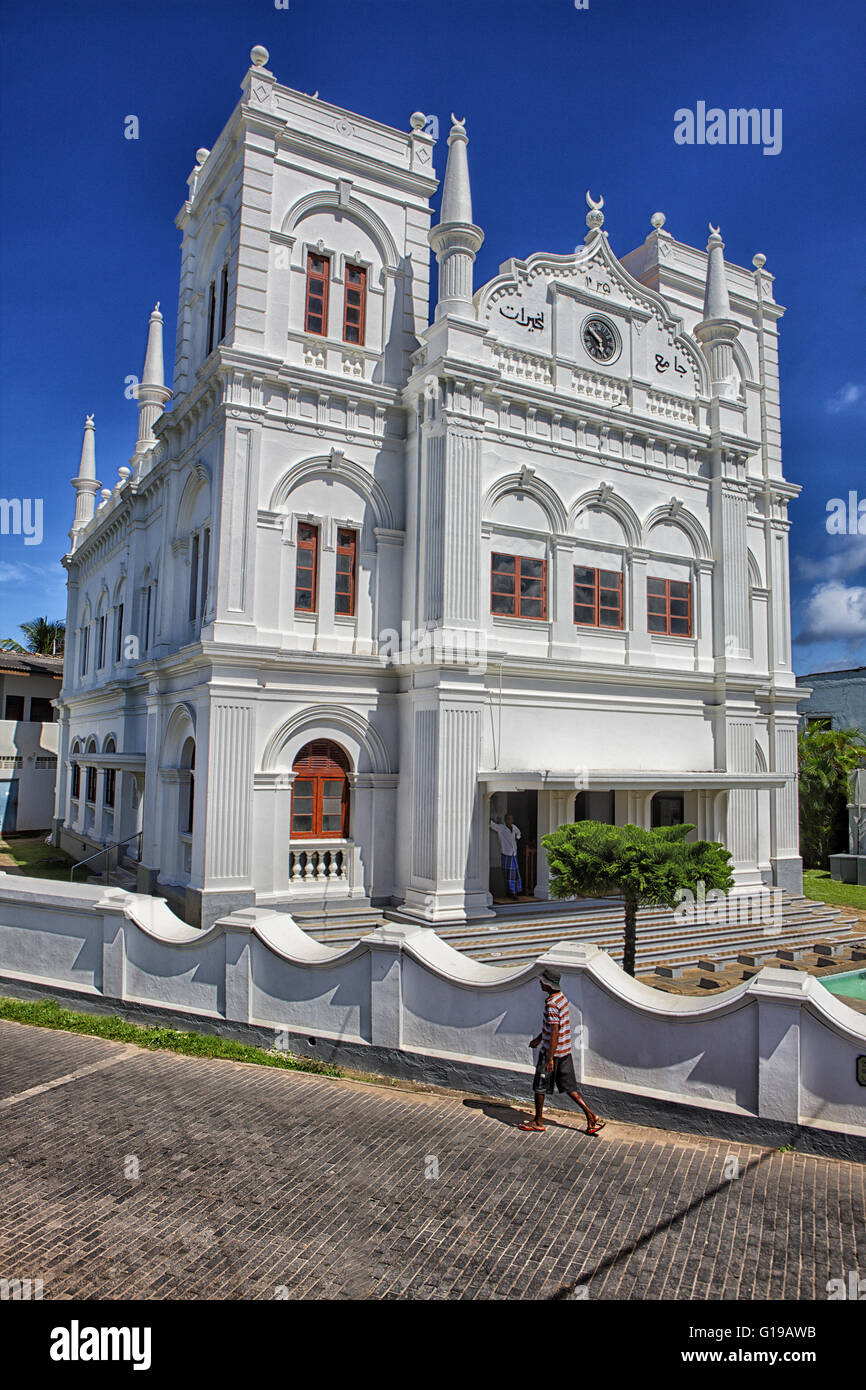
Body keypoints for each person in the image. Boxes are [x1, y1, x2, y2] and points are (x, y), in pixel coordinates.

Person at [519, 968, 605, 1135]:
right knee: (569, 1087)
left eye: (542, 981)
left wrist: (549, 1058)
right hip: (565, 1051)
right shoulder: (562, 999)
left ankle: (538, 1121)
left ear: (548, 984)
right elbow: (553, 1028)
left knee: (540, 1087)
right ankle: (591, 1115)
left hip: (552, 1053)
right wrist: (539, 1038)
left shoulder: (551, 1004)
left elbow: (554, 1030)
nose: (540, 983)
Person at [490, 812, 522, 898]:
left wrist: (517, 837)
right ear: (505, 820)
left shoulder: (514, 827)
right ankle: (510, 892)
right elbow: (492, 825)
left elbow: (519, 833)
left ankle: (515, 891)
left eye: (511, 819)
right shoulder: (501, 828)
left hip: (513, 853)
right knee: (507, 873)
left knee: (514, 873)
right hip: (506, 853)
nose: (510, 820)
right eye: (508, 819)